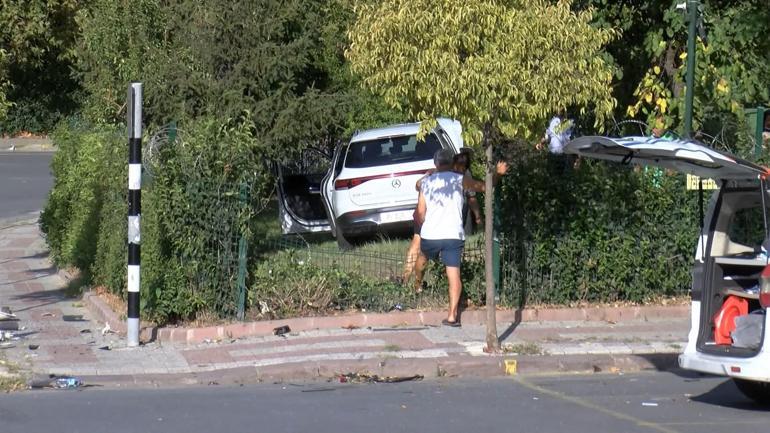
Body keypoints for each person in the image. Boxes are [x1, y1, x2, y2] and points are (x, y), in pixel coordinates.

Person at [413, 148, 508, 327]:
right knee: (453, 273)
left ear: (435, 163)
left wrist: (425, 222)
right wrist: (497, 174)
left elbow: (420, 211)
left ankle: (417, 284)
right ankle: (451, 315)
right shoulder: (460, 180)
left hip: (431, 233)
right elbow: (485, 187)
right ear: (451, 162)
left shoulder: (427, 182)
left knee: (422, 258)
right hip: (453, 234)